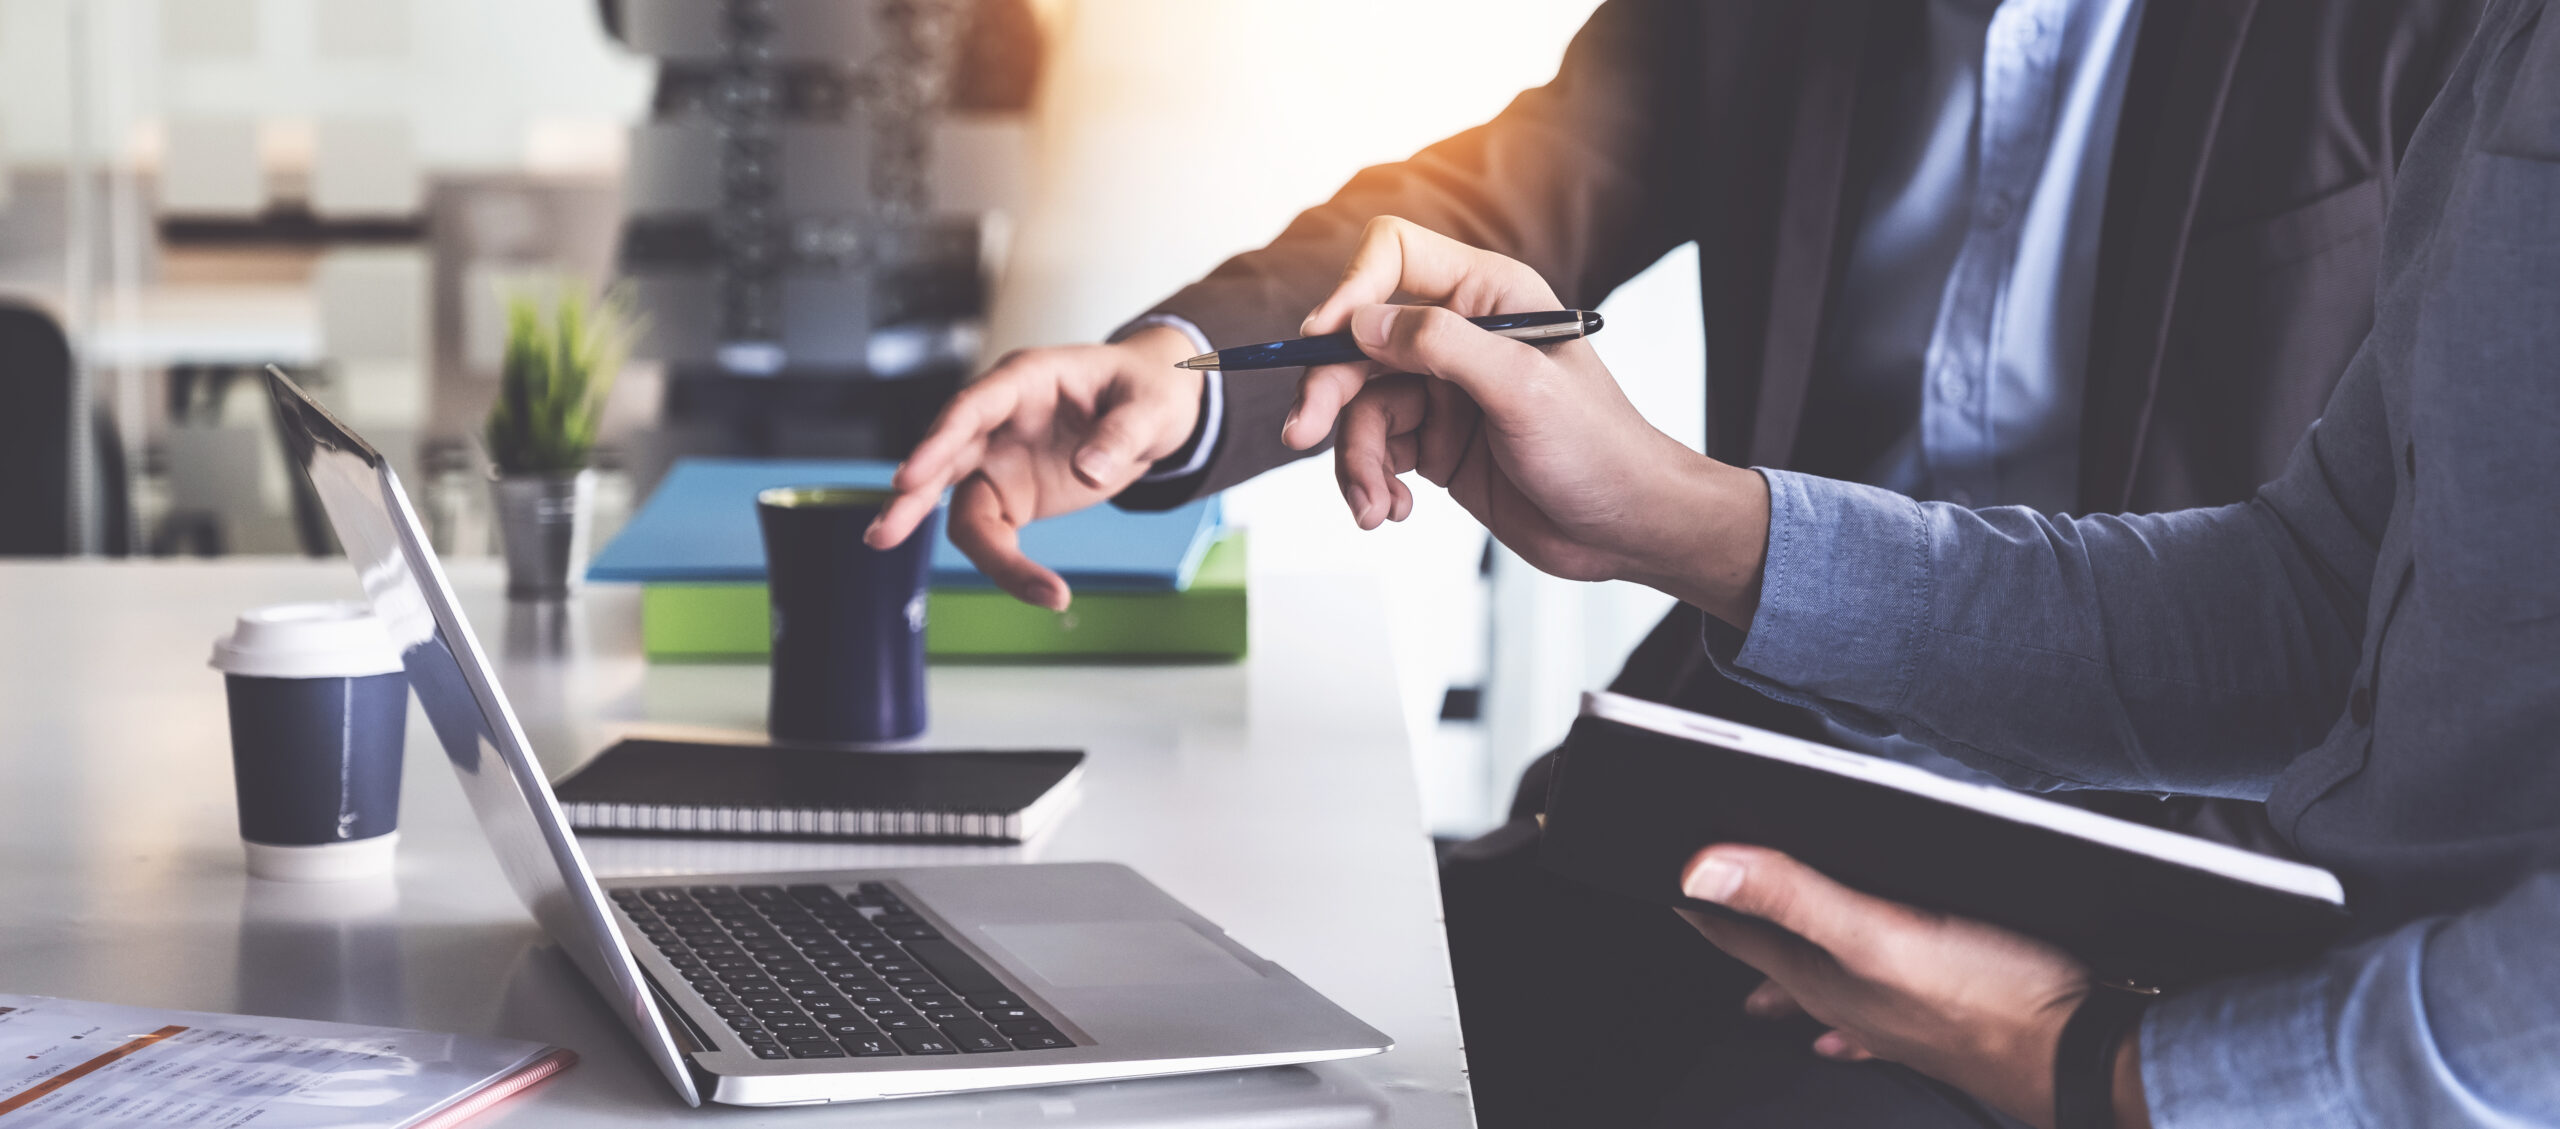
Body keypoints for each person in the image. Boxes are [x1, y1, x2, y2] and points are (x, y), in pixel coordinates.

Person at [868, 1, 2482, 1123]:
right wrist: (1195, 367)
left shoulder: (2444, 39)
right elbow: (1499, 185)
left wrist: (2080, 1015)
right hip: (1752, 771)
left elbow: (2326, 627)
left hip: (2124, 903)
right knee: (1238, 1033)